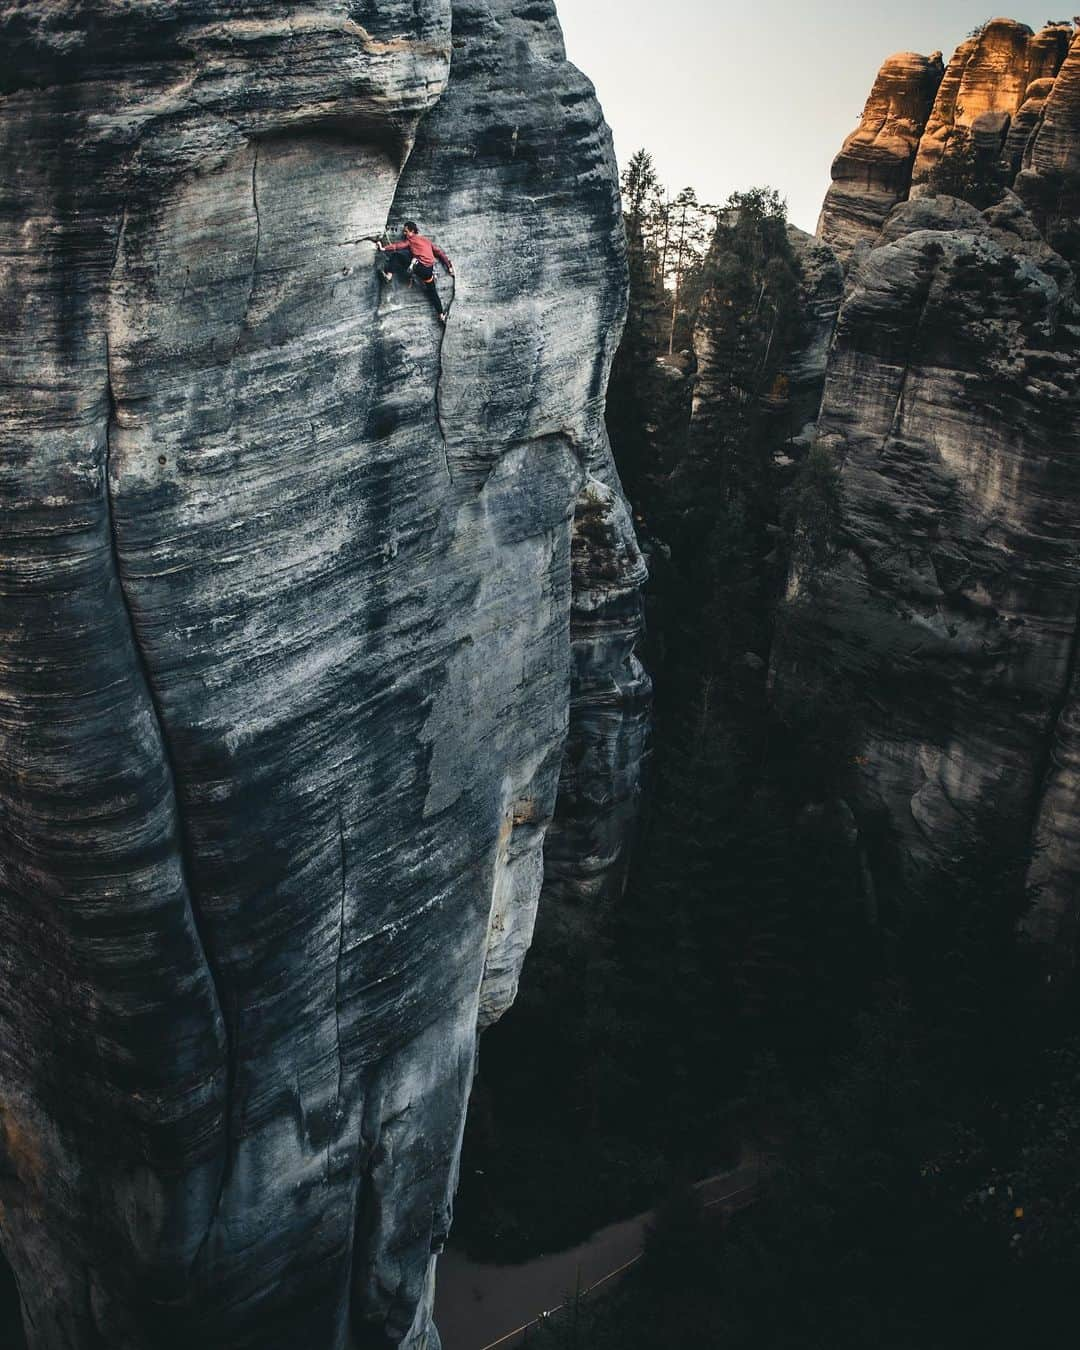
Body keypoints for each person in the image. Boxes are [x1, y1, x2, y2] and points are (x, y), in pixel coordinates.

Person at [377, 222, 455, 324]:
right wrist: (449, 266)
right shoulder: (426, 241)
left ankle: (390, 275)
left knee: (396, 256)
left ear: (412, 231)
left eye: (406, 231)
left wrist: (384, 248)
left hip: (420, 267)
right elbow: (439, 253)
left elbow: (398, 246)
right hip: (428, 272)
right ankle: (441, 315)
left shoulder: (411, 240)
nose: (404, 233)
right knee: (433, 293)